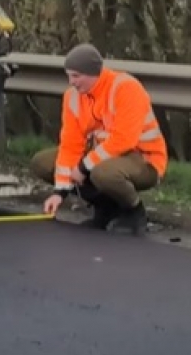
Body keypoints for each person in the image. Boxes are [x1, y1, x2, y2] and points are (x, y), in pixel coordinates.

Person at [31, 44, 168, 235]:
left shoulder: (125, 87)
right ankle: (105, 211)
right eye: (69, 76)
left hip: (144, 159)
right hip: (101, 157)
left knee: (101, 172)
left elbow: (124, 139)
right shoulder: (72, 97)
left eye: (76, 76)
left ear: (94, 73)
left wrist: (82, 167)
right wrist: (59, 192)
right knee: (43, 163)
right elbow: (70, 145)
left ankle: (135, 213)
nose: (71, 82)